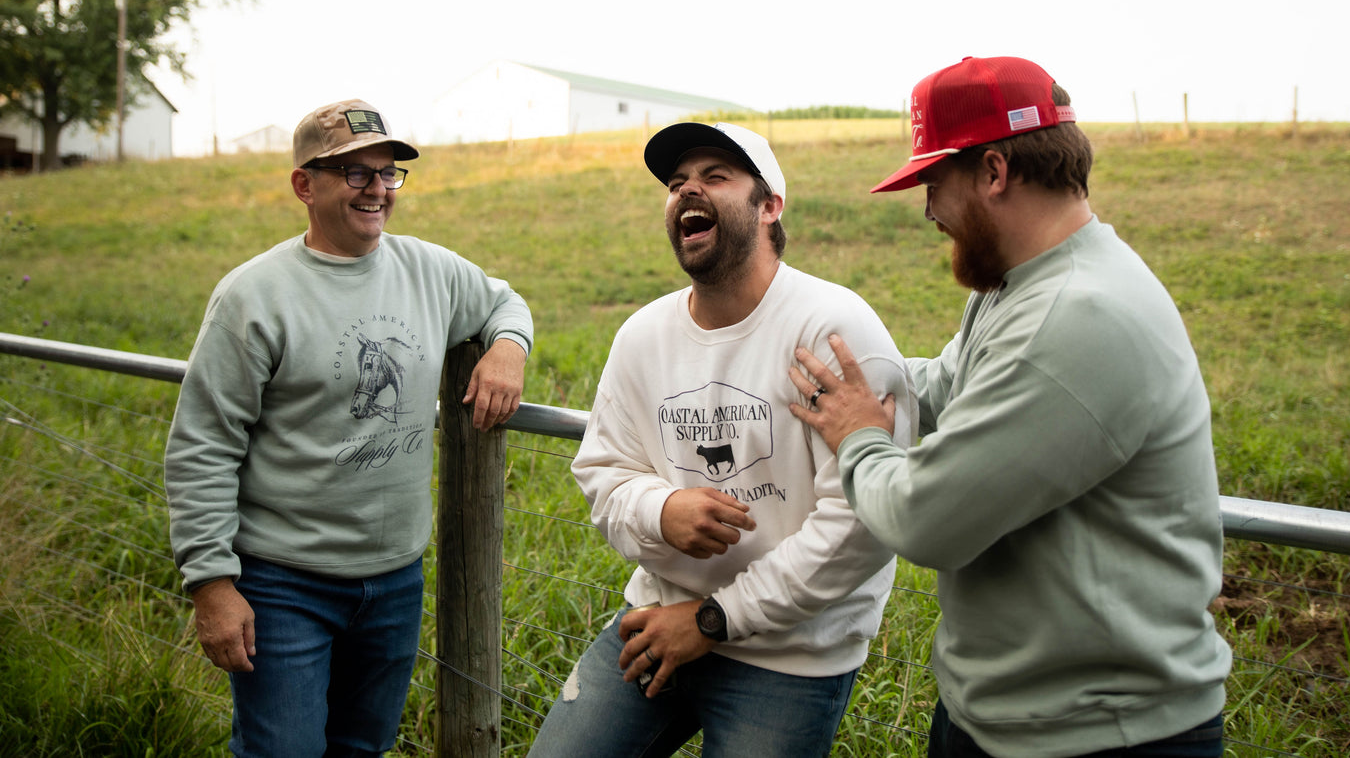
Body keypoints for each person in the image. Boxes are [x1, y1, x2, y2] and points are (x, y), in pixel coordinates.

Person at [788, 56, 1232, 758]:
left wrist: (859, 435)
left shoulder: (1078, 315)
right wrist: (835, 366)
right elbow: (941, 385)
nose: (929, 210)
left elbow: (923, 518)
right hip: (1002, 716)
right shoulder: (1016, 287)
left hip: (1100, 735)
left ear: (994, 171)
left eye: (934, 183)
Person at [528, 122, 917, 758]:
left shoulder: (832, 328)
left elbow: (864, 520)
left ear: (770, 206)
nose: (688, 191)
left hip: (792, 655)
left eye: (715, 177)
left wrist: (714, 620)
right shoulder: (643, 337)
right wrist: (660, 509)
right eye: (678, 183)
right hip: (657, 619)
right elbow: (602, 469)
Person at [165, 98, 533, 758]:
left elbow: (502, 298)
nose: (377, 189)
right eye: (354, 173)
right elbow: (202, 445)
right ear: (304, 185)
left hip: (393, 580)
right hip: (283, 582)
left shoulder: (430, 271)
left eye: (387, 173)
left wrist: (507, 345)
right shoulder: (255, 296)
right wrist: (212, 584)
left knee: (362, 748)